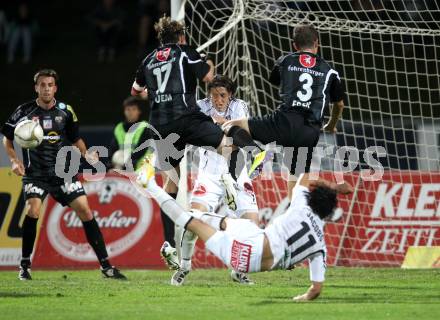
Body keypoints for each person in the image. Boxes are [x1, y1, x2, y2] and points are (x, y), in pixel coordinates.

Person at [130, 16, 269, 269]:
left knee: (170, 183)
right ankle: (242, 166)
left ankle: (167, 244)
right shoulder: (184, 52)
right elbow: (208, 76)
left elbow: (135, 91)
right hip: (186, 118)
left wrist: (159, 94)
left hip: (160, 126)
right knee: (227, 142)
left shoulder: (148, 60)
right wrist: (206, 59)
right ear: (181, 37)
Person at [136, 154, 353, 301]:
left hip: (253, 239)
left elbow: (306, 179)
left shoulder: (301, 204)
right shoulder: (321, 247)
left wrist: (334, 188)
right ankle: (231, 196)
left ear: (313, 199)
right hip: (243, 261)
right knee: (196, 221)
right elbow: (315, 290)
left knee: (192, 219)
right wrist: (300, 299)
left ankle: (152, 186)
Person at [0, 69, 126, 280]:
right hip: (36, 174)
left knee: (85, 210)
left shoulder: (65, 111)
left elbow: (75, 139)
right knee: (33, 210)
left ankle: (106, 266)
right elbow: (7, 137)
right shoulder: (24, 111)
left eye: (50, 85)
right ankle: (24, 266)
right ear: (36, 88)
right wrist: (14, 160)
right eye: (42, 85)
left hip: (63, 173)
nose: (46, 88)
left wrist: (87, 155)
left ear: (55, 88)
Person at [223, 24, 345, 199]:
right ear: (317, 43)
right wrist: (330, 125)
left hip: (283, 123)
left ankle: (256, 152)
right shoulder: (330, 71)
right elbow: (339, 105)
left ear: (294, 44)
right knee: (296, 182)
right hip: (309, 133)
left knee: (229, 125)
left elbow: (275, 80)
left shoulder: (285, 61)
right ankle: (293, 214)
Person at [172, 75, 259, 286]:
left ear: (230, 95)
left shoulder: (240, 107)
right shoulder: (200, 106)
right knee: (193, 219)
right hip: (209, 173)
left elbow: (239, 135)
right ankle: (184, 266)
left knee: (253, 225)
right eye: (214, 96)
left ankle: (238, 271)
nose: (217, 100)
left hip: (237, 171)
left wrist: (217, 123)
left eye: (222, 96)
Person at [108, 96, 151, 171]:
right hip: (124, 169)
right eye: (128, 109)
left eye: (134, 109)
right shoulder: (119, 128)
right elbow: (113, 150)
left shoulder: (145, 127)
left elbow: (140, 152)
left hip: (143, 170)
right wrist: (111, 166)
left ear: (139, 111)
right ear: (124, 111)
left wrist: (124, 166)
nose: (130, 112)